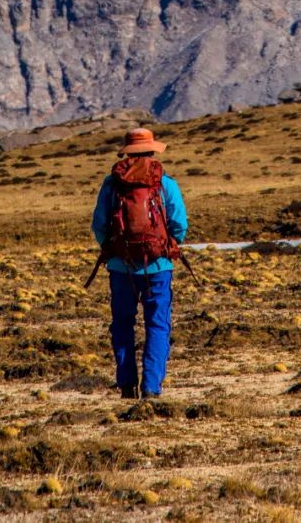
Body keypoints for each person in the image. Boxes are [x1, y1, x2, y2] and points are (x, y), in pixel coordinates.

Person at [91, 125, 188, 399]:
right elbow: (180, 224)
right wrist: (167, 244)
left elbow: (99, 225)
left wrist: (114, 250)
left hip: (120, 268)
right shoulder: (165, 184)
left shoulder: (112, 185)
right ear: (152, 150)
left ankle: (126, 385)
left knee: (122, 324)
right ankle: (151, 388)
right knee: (157, 324)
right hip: (158, 267)